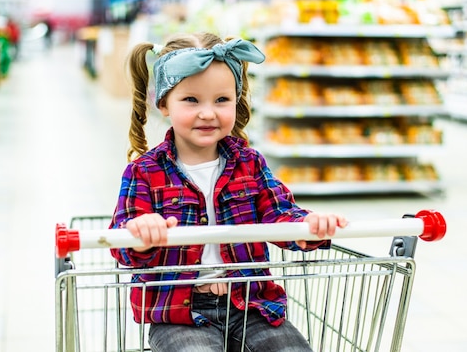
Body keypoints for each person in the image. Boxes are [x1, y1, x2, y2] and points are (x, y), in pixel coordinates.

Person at [110, 32, 348, 352]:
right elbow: (123, 245)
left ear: (236, 101)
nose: (208, 113)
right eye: (191, 100)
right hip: (179, 314)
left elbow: (279, 213)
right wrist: (139, 232)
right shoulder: (145, 172)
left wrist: (308, 227)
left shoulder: (250, 163)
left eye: (221, 100)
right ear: (164, 103)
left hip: (252, 304)